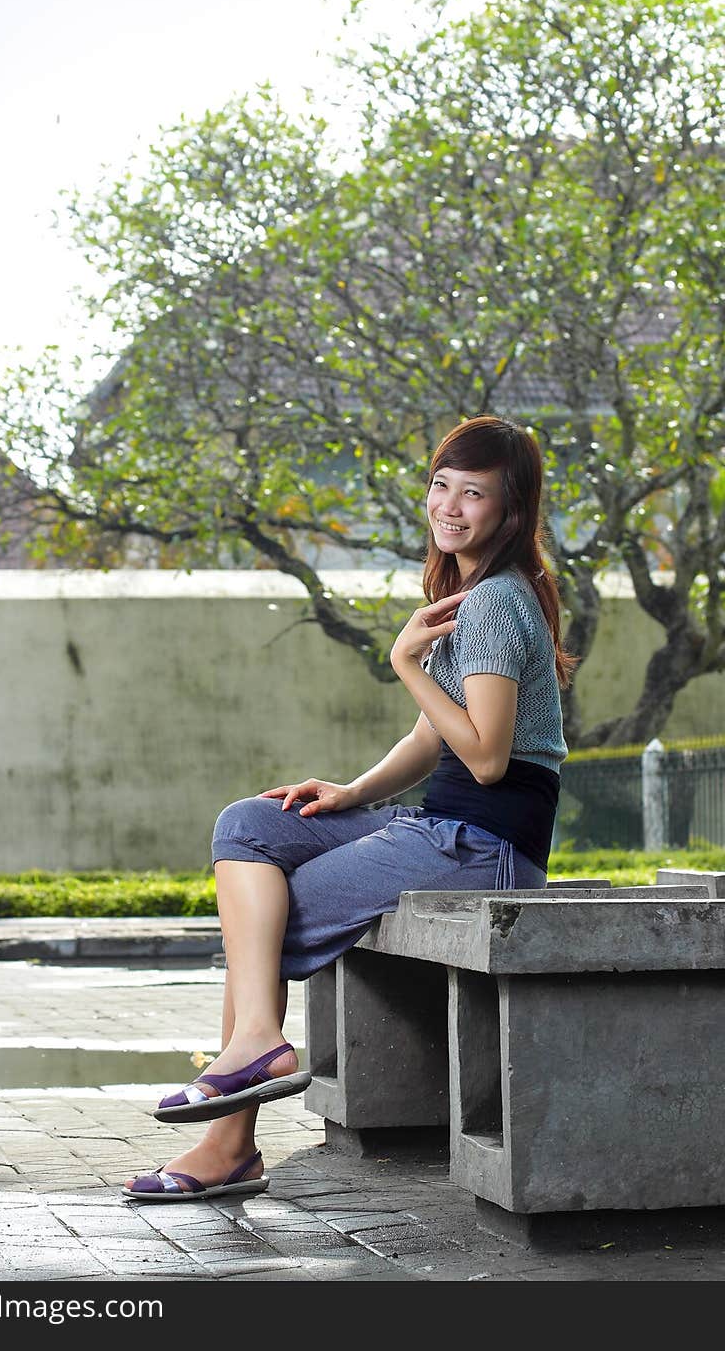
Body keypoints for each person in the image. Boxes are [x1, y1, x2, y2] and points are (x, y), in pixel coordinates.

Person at [122, 414, 575, 1201]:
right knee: (249, 825)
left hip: (482, 842)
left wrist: (405, 659)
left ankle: (229, 1141)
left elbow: (487, 755)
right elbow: (430, 736)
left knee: (263, 918)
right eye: (441, 486)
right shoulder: (468, 594)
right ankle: (259, 1045)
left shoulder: (499, 602)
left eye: (475, 493)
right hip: (443, 827)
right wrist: (350, 793)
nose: (450, 506)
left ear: (512, 510)